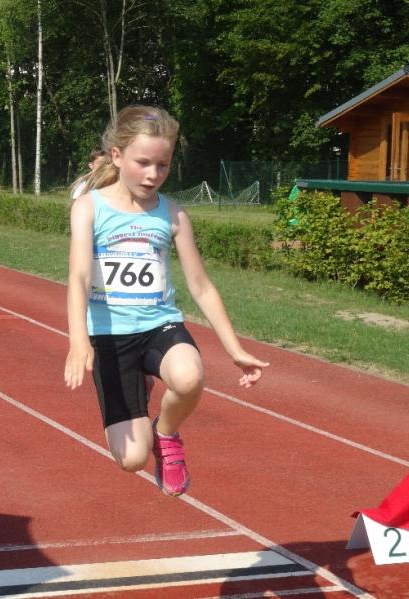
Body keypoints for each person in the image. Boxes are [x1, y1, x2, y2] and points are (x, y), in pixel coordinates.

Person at [64, 105, 268, 497]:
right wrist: (78, 341)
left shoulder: (173, 215)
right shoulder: (89, 208)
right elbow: (79, 277)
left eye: (163, 165)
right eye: (143, 163)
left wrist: (235, 350)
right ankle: (141, 400)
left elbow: (201, 286)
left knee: (190, 377)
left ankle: (167, 433)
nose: (153, 174)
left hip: (160, 325)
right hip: (110, 335)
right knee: (132, 460)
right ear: (117, 156)